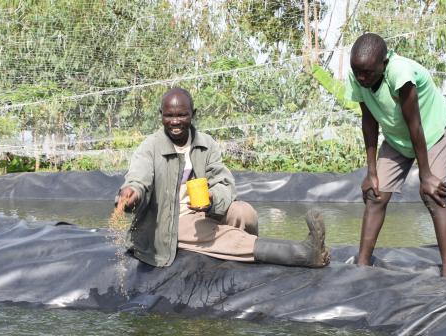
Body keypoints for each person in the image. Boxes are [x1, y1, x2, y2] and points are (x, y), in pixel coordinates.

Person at [117, 86, 330, 269]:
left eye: (182, 115)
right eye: (169, 115)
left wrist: (211, 199)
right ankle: (300, 253)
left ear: (192, 114)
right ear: (160, 114)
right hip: (169, 222)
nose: (175, 121)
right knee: (222, 235)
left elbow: (224, 182)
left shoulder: (205, 144)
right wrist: (132, 194)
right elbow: (139, 177)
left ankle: (237, 259)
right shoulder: (151, 147)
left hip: (203, 212)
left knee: (243, 212)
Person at [345, 33, 446, 278]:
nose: (362, 78)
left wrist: (426, 175)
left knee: (432, 195)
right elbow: (369, 121)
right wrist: (371, 172)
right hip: (398, 138)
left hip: (432, 132)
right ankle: (362, 264)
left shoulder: (400, 73)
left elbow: (415, 124)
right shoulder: (357, 77)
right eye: (358, 72)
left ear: (383, 64)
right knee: (375, 195)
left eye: (368, 73)